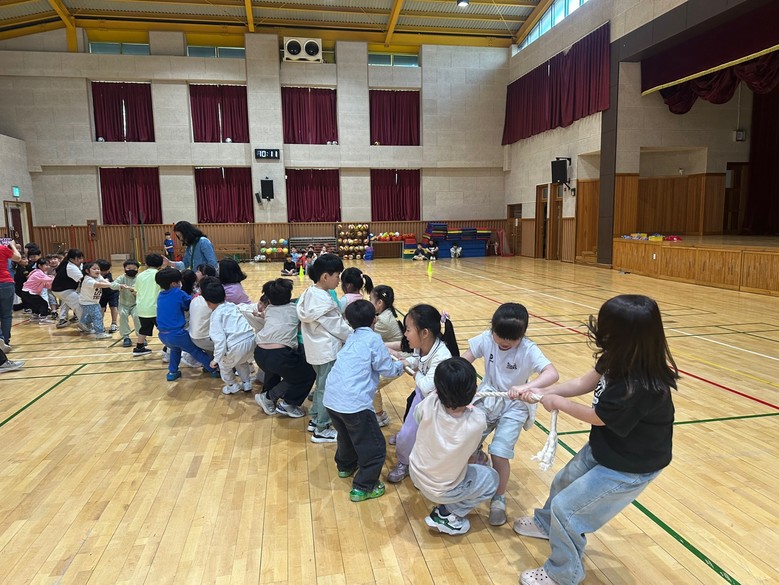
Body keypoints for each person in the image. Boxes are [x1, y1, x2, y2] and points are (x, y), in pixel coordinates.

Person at [509, 294, 678, 585]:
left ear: (624, 336)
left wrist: (558, 403)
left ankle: (564, 573)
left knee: (568, 511)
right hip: (606, 448)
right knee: (563, 482)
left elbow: (598, 416)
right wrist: (544, 392)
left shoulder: (640, 386)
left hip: (630, 466)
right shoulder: (618, 356)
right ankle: (546, 525)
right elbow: (584, 382)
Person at [462, 303, 560, 526]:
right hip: (488, 398)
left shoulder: (528, 349)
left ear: (522, 335)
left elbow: (552, 373)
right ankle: (469, 480)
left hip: (515, 406)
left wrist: (526, 387)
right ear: (492, 329)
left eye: (512, 338)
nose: (505, 342)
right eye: (500, 336)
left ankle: (499, 498)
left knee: (499, 452)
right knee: (468, 442)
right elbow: (465, 359)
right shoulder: (486, 339)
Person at [323, 300, 405, 502]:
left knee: (346, 436)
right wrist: (401, 366)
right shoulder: (374, 338)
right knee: (374, 447)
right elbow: (387, 369)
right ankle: (363, 487)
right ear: (374, 319)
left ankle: (345, 466)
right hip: (354, 404)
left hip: (332, 399)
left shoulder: (351, 337)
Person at [410, 357, 498, 535]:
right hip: (442, 490)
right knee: (492, 478)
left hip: (416, 474)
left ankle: (438, 497)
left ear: (438, 389)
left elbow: (417, 417)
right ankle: (447, 515)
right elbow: (471, 451)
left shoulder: (429, 402)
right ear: (474, 390)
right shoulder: (477, 420)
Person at [387, 304, 459, 483]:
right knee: (408, 433)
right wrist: (407, 361)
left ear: (424, 333)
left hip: (437, 402)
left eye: (408, 329)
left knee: (430, 439)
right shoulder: (421, 346)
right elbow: (416, 360)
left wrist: (416, 373)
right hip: (422, 396)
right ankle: (404, 461)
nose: (405, 334)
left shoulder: (442, 355)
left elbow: (427, 385)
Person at [296, 253, 352, 444]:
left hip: (315, 350)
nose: (339, 280)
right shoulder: (324, 302)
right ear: (325, 276)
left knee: (321, 386)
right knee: (327, 389)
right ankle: (322, 428)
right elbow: (338, 327)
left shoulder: (310, 293)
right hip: (327, 351)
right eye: (337, 276)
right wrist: (355, 335)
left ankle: (315, 418)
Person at [254, 278, 316, 418]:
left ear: (269, 299)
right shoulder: (295, 309)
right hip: (279, 354)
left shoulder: (269, 309)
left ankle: (268, 397)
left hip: (259, 353)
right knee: (307, 374)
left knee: (274, 372)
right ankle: (286, 402)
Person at [154, 267, 217, 381]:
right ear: (174, 284)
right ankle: (213, 369)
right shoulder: (178, 292)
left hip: (163, 335)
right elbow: (189, 303)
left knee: (175, 350)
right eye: (179, 282)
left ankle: (172, 372)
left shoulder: (160, 295)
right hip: (178, 334)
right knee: (195, 350)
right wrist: (197, 295)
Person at [199, 277, 256, 394]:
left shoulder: (215, 316)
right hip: (251, 339)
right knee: (241, 361)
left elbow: (219, 341)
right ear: (225, 297)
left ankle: (232, 385)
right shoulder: (232, 306)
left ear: (208, 303)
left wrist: (216, 359)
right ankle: (246, 383)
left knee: (224, 365)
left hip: (236, 344)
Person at [369, 284, 407, 427]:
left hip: (400, 358)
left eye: (371, 299)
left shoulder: (383, 321)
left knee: (372, 382)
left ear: (379, 302)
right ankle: (377, 413)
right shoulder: (387, 313)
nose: (369, 302)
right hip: (393, 354)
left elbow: (367, 336)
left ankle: (379, 416)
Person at [132, 253, 164, 357]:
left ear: (146, 263)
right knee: (164, 329)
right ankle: (167, 347)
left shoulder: (140, 275)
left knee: (144, 328)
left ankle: (139, 347)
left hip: (142, 308)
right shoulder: (160, 275)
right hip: (156, 308)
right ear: (160, 264)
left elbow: (136, 290)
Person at [78, 261, 115, 339]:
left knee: (92, 315)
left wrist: (114, 284)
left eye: (98, 269)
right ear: (87, 271)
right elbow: (99, 284)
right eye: (94, 269)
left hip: (94, 302)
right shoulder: (88, 280)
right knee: (97, 316)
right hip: (87, 303)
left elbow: (105, 282)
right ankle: (100, 333)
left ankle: (83, 323)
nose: (97, 270)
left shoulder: (98, 277)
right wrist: (112, 285)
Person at [108, 259, 141, 348]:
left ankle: (141, 337)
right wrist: (120, 285)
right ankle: (126, 337)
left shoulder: (139, 279)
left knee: (137, 317)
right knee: (122, 316)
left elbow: (142, 291)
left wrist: (133, 290)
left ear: (137, 269)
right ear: (124, 269)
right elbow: (112, 285)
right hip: (123, 303)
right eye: (129, 268)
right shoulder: (122, 278)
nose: (131, 270)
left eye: (134, 268)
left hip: (136, 304)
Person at [51, 248, 85, 328]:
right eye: (78, 258)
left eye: (81, 258)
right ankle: (85, 324)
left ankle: (63, 319)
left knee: (67, 301)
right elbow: (83, 280)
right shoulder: (71, 267)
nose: (81, 260)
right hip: (62, 289)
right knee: (79, 304)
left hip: (65, 288)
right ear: (71, 259)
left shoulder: (76, 264)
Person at [0, 239, 22, 349]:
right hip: (6, 283)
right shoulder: (2, 249)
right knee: (6, 315)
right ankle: (5, 341)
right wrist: (13, 246)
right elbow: (18, 258)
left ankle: (0, 339)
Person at [21, 257, 55, 324]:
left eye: (49, 265)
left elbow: (46, 284)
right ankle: (43, 318)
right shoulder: (38, 273)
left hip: (27, 292)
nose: (48, 267)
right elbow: (49, 280)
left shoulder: (38, 272)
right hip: (29, 292)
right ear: (39, 265)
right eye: (46, 265)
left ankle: (35, 316)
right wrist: (53, 277)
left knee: (35, 304)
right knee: (43, 303)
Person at [96, 259, 119, 333]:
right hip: (101, 294)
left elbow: (105, 281)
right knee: (101, 308)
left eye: (107, 270)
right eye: (103, 270)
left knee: (113, 307)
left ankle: (114, 323)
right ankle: (100, 324)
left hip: (112, 293)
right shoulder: (95, 275)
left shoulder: (108, 275)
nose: (105, 272)